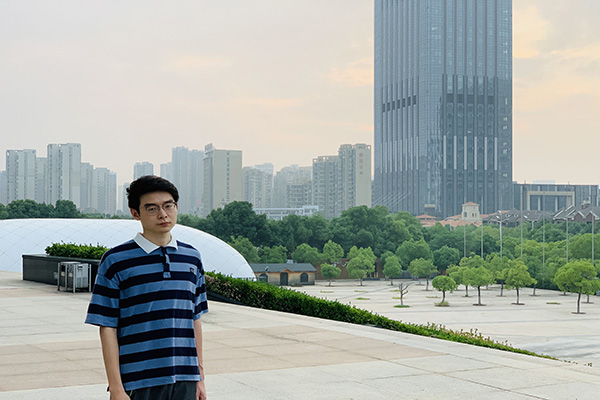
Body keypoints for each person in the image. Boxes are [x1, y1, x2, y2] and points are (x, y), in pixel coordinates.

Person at [85, 175, 208, 400]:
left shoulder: (192, 257)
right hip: (138, 380)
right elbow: (107, 326)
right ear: (135, 213)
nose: (163, 214)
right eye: (152, 208)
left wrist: (199, 377)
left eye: (168, 206)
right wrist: (116, 388)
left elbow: (195, 319)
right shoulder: (115, 260)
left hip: (185, 379)